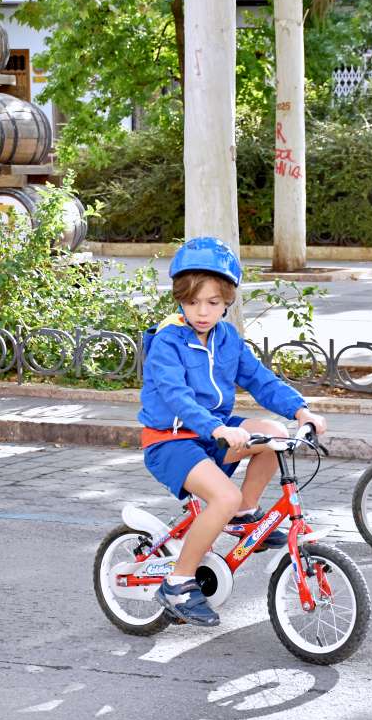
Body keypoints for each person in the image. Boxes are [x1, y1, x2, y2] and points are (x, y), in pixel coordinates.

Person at [138, 237, 326, 627]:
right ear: (180, 301)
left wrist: (301, 410)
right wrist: (218, 427)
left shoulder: (227, 340)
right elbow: (177, 397)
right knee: (222, 495)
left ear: (227, 300)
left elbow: (260, 380)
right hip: (170, 440)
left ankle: (244, 514)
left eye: (212, 302)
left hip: (213, 434)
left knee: (273, 435)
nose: (202, 312)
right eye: (192, 302)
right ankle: (177, 583)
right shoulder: (168, 341)